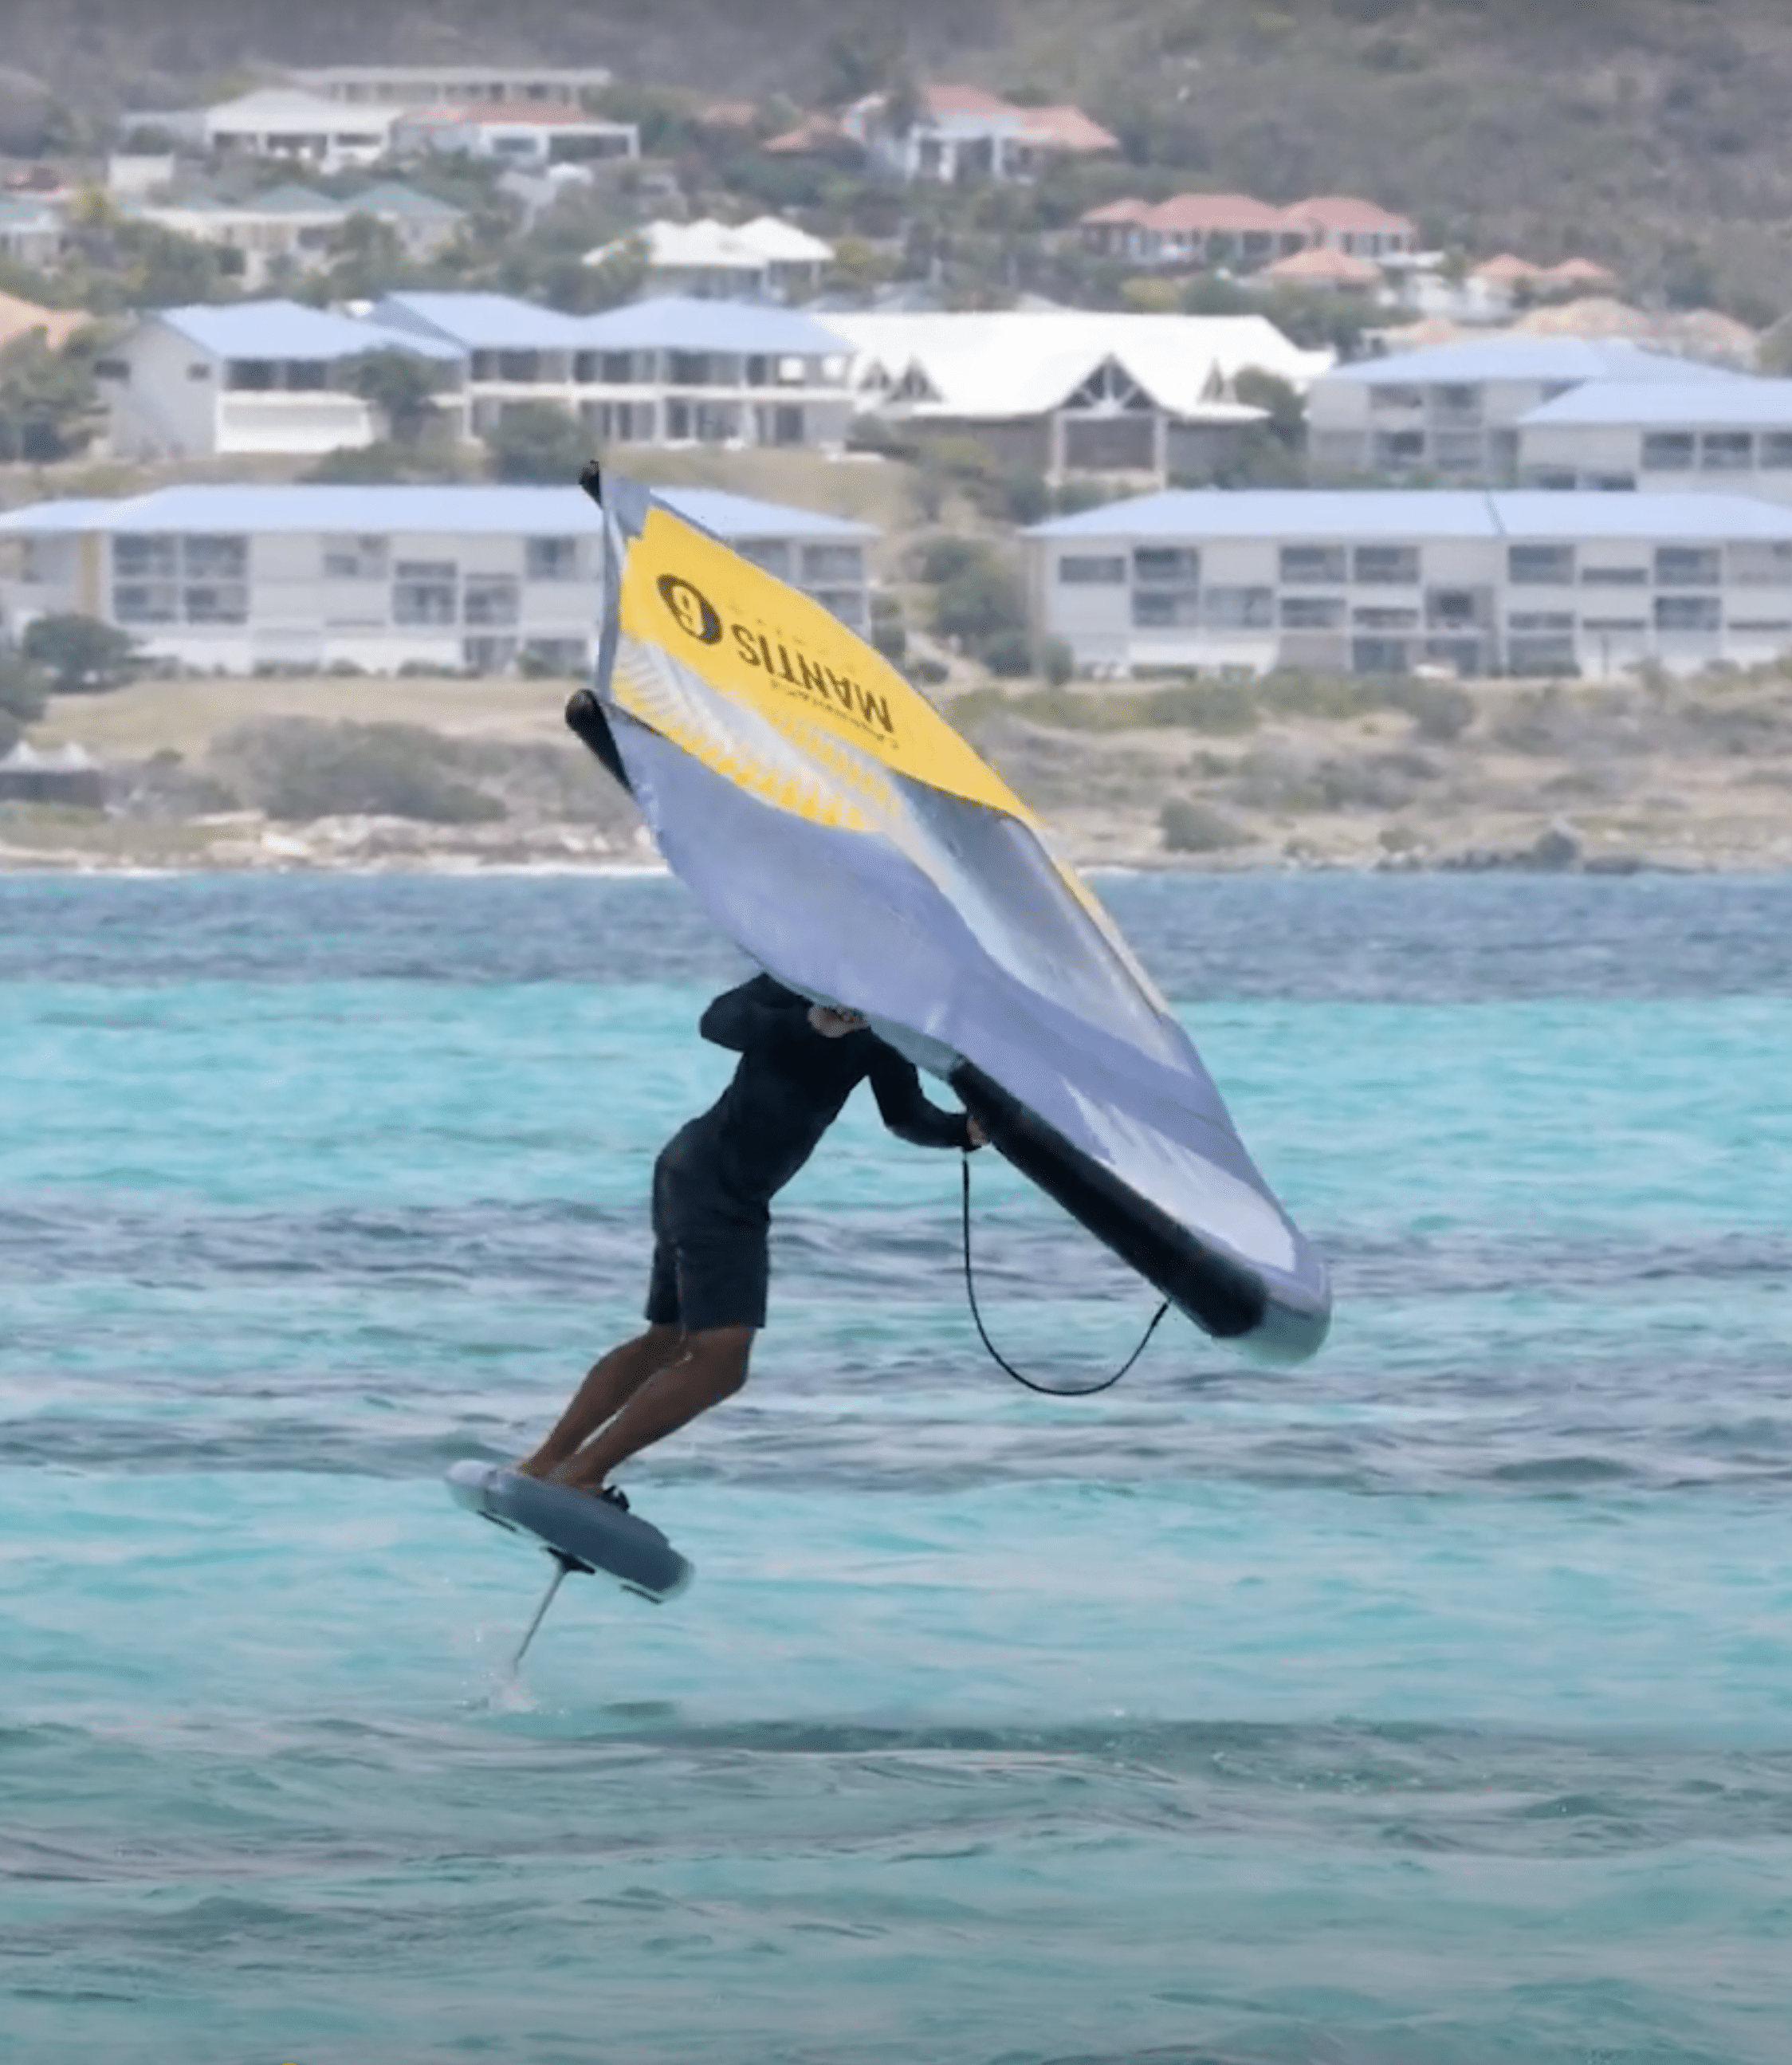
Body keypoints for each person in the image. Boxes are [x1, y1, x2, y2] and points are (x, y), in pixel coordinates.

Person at [521, 974, 986, 1499]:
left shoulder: (882, 1021)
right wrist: (810, 1023)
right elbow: (717, 1021)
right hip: (714, 1181)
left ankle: (546, 1466)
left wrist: (959, 1131)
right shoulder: (805, 979)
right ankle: (579, 1475)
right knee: (720, 1364)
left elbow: (904, 1114)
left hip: (705, 1177)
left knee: (668, 1339)